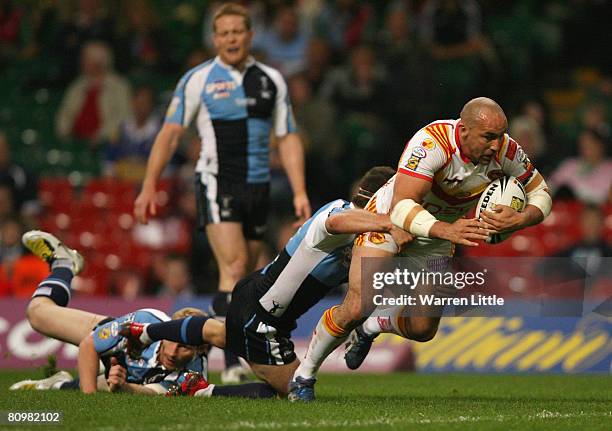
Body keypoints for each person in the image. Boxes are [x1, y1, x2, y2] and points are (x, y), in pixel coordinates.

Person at [289, 97, 553, 401]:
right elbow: (402, 205)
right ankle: (304, 376)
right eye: (489, 137)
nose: (497, 145)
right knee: (358, 305)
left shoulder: (506, 150)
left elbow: (542, 193)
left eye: (500, 136)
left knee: (423, 328)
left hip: (439, 233)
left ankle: (376, 324)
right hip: (391, 221)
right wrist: (448, 230)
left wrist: (519, 219)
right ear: (464, 130)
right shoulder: (432, 142)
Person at [133, 2, 311, 383]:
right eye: (224, 32)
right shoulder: (197, 80)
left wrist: (299, 190)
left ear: (250, 35)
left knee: (246, 275)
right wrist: (149, 184)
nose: (231, 38)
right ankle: (231, 364)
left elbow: (288, 137)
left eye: (238, 31)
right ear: (215, 39)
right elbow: (170, 133)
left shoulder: (271, 80)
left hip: (258, 187)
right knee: (232, 268)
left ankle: (230, 349)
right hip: (217, 181)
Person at [121, 166, 412, 397]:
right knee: (288, 390)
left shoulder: (362, 232)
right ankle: (201, 391)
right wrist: (388, 222)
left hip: (257, 298)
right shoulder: (343, 216)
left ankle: (147, 331)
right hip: (262, 320)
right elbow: (335, 223)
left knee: (222, 334)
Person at [10, 230, 275, 399]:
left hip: (124, 370)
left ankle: (57, 385)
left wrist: (121, 386)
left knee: (110, 385)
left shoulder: (192, 377)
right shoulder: (145, 321)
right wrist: (88, 399)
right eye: (173, 340)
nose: (173, 352)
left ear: (200, 351)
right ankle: (64, 264)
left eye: (185, 348)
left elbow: (150, 392)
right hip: (108, 338)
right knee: (37, 314)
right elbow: (90, 344)